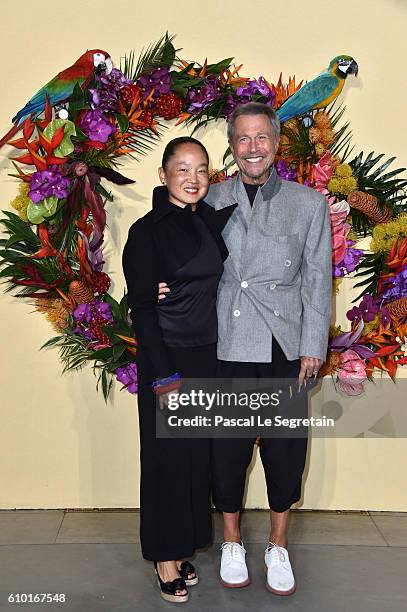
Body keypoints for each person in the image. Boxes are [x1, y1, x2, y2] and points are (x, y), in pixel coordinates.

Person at [159, 102, 332, 595]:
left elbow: (319, 281)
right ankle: (232, 541)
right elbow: (171, 249)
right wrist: (156, 288)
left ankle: (278, 545)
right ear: (231, 148)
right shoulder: (206, 197)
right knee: (227, 452)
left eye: (262, 138)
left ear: (276, 145)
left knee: (283, 453)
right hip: (226, 341)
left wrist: (312, 346)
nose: (252, 147)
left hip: (284, 343)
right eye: (243, 139)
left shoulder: (308, 203)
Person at [122, 136, 236, 604]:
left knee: (195, 459)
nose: (193, 179)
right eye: (183, 169)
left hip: (205, 353)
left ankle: (183, 545)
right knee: (166, 461)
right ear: (164, 174)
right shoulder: (146, 231)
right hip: (166, 358)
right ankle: (164, 559)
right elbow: (144, 309)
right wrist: (164, 375)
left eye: (202, 170)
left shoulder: (207, 219)